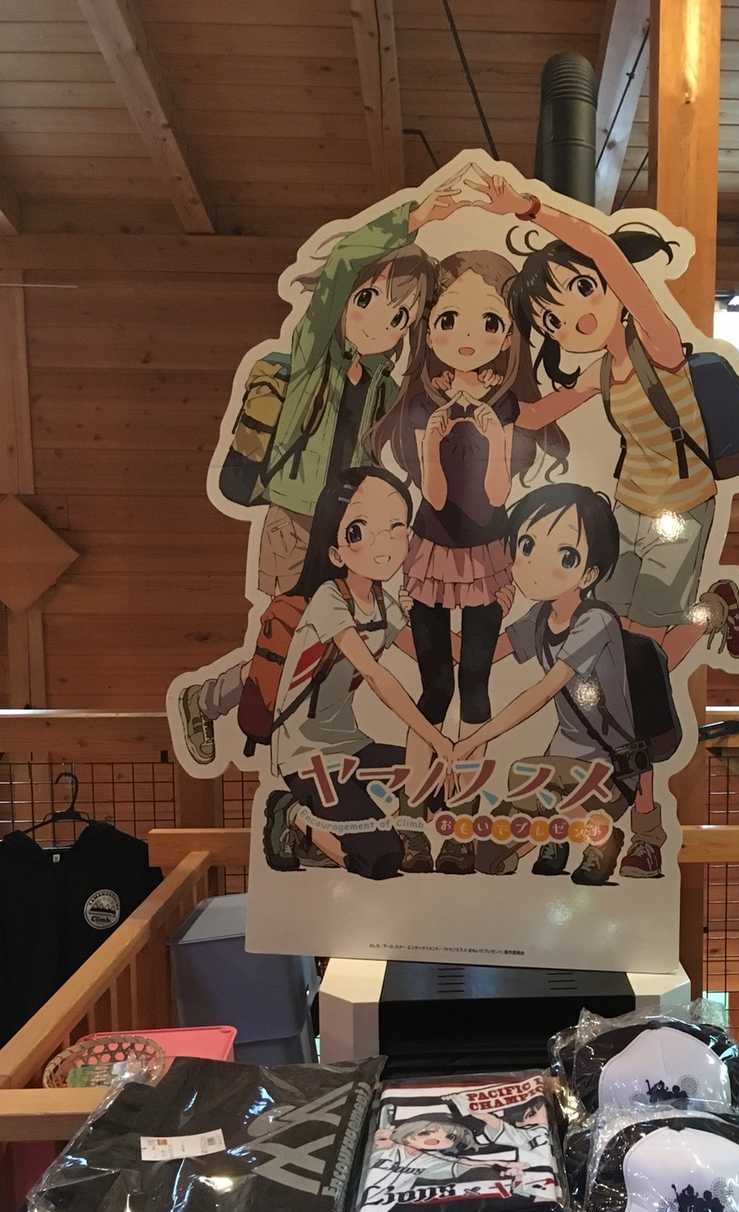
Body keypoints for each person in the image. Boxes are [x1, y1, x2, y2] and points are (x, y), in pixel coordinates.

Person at [462, 168, 739, 880]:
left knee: (642, 656)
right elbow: (539, 412)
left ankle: (708, 616)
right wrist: (480, 405)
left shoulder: (658, 345)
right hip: (626, 511)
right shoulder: (602, 374)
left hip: (680, 515)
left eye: (582, 292)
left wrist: (530, 209)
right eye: (554, 319)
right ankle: (636, 807)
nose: (574, 319)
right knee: (619, 657)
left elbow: (606, 252)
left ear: (609, 288)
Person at [177, 178, 467, 767]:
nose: (379, 321)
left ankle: (292, 740)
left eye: (399, 315)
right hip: (293, 520)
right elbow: (341, 263)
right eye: (368, 300)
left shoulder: (381, 383)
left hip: (344, 530)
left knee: (330, 644)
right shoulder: (315, 357)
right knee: (286, 639)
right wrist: (414, 217)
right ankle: (209, 703)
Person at [372, 249, 568, 876]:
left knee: (476, 684)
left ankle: (464, 818)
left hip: (486, 553)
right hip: (432, 551)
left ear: (508, 336)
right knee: (434, 685)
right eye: (448, 320)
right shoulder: (418, 408)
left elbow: (496, 496)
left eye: (489, 323)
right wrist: (433, 440)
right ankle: (413, 815)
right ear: (429, 329)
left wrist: (496, 439)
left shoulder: (504, 407)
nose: (467, 339)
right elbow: (432, 499)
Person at [454, 483, 652, 886]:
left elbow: (542, 692)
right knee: (488, 856)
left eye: (565, 556)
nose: (536, 565)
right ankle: (559, 836)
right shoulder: (540, 617)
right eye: (526, 546)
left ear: (589, 573)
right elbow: (472, 653)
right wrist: (406, 620)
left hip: (610, 770)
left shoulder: (596, 621)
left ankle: (600, 836)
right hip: (559, 772)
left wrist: (472, 740)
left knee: (523, 773)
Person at [260, 465, 453, 880]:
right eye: (360, 531)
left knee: (435, 781)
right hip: (306, 754)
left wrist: (500, 627)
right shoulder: (330, 599)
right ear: (336, 552)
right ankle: (292, 815)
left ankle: (355, 815)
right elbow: (379, 679)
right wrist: (437, 738)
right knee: (382, 860)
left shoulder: (384, 604)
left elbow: (439, 654)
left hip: (352, 747)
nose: (384, 544)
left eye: (395, 528)